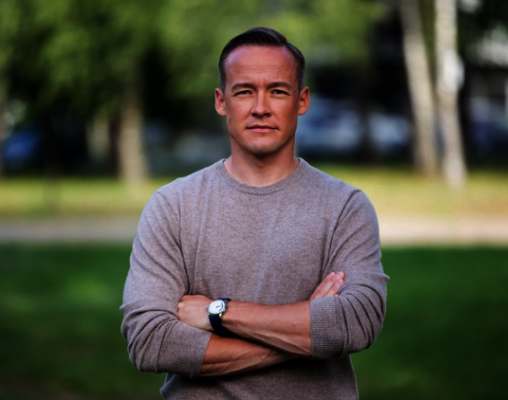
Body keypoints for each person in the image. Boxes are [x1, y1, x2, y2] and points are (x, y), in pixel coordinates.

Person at [121, 27, 388, 399]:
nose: (261, 107)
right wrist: (306, 334)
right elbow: (150, 341)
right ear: (221, 101)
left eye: (277, 91)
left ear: (302, 100)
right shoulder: (174, 205)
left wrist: (218, 313)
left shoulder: (344, 206)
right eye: (245, 91)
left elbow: (357, 322)